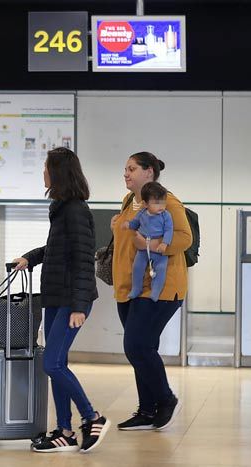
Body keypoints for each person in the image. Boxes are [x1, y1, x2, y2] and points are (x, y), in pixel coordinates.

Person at [13, 147, 110, 454]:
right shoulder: (62, 207)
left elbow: (83, 259)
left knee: (52, 363)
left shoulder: (76, 210)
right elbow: (57, 249)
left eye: (45, 168)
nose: (42, 173)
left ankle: (92, 416)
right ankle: (65, 431)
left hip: (71, 299)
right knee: (57, 362)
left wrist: (80, 306)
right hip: (56, 297)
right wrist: (30, 258)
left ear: (57, 173)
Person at [111, 152, 191, 432]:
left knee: (136, 345)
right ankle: (146, 411)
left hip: (159, 286)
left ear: (149, 172)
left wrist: (156, 245)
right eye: (125, 169)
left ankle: (165, 399)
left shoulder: (166, 200)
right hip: (130, 287)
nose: (126, 173)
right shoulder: (128, 201)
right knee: (141, 349)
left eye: (132, 168)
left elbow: (183, 237)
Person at [122, 181, 174, 302]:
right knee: (137, 267)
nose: (161, 206)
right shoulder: (141, 213)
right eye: (156, 203)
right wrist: (128, 224)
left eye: (163, 202)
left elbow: (169, 230)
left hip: (159, 250)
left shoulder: (166, 215)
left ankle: (155, 290)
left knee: (160, 269)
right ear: (145, 204)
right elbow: (135, 224)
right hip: (142, 250)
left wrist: (164, 243)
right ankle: (136, 288)